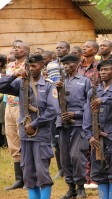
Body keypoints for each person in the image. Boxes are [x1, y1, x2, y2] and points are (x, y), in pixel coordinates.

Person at [0, 54, 59, 198]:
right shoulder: (21, 83)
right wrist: (14, 75)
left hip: (41, 136)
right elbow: (1, 86)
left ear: (42, 66)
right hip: (25, 136)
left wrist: (34, 123)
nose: (31, 69)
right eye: (29, 66)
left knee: (42, 172)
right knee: (28, 171)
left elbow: (53, 110)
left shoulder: (49, 85)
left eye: (34, 66)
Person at [83, 59, 112, 199]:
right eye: (101, 70)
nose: (103, 73)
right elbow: (87, 115)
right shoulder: (93, 92)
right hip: (96, 138)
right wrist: (89, 135)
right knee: (98, 172)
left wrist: (104, 100)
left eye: (107, 70)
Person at [56, 54, 91, 199]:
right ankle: (71, 188)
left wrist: (75, 114)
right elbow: (52, 104)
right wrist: (57, 91)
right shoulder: (60, 82)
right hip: (62, 125)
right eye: (63, 64)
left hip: (78, 124)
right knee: (65, 158)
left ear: (76, 65)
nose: (65, 66)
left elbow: (90, 106)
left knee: (77, 156)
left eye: (68, 64)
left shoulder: (85, 81)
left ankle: (81, 187)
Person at [4, 41, 30, 190]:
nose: (15, 49)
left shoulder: (30, 65)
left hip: (23, 106)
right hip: (9, 106)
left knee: (24, 140)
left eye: (19, 47)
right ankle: (18, 179)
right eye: (14, 47)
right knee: (12, 140)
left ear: (27, 51)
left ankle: (28, 178)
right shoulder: (9, 66)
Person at [47, 41, 70, 180]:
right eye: (57, 48)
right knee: (55, 139)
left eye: (61, 47)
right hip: (54, 104)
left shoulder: (71, 64)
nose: (58, 49)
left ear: (67, 49)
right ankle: (61, 169)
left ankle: (70, 167)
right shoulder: (51, 65)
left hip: (68, 104)